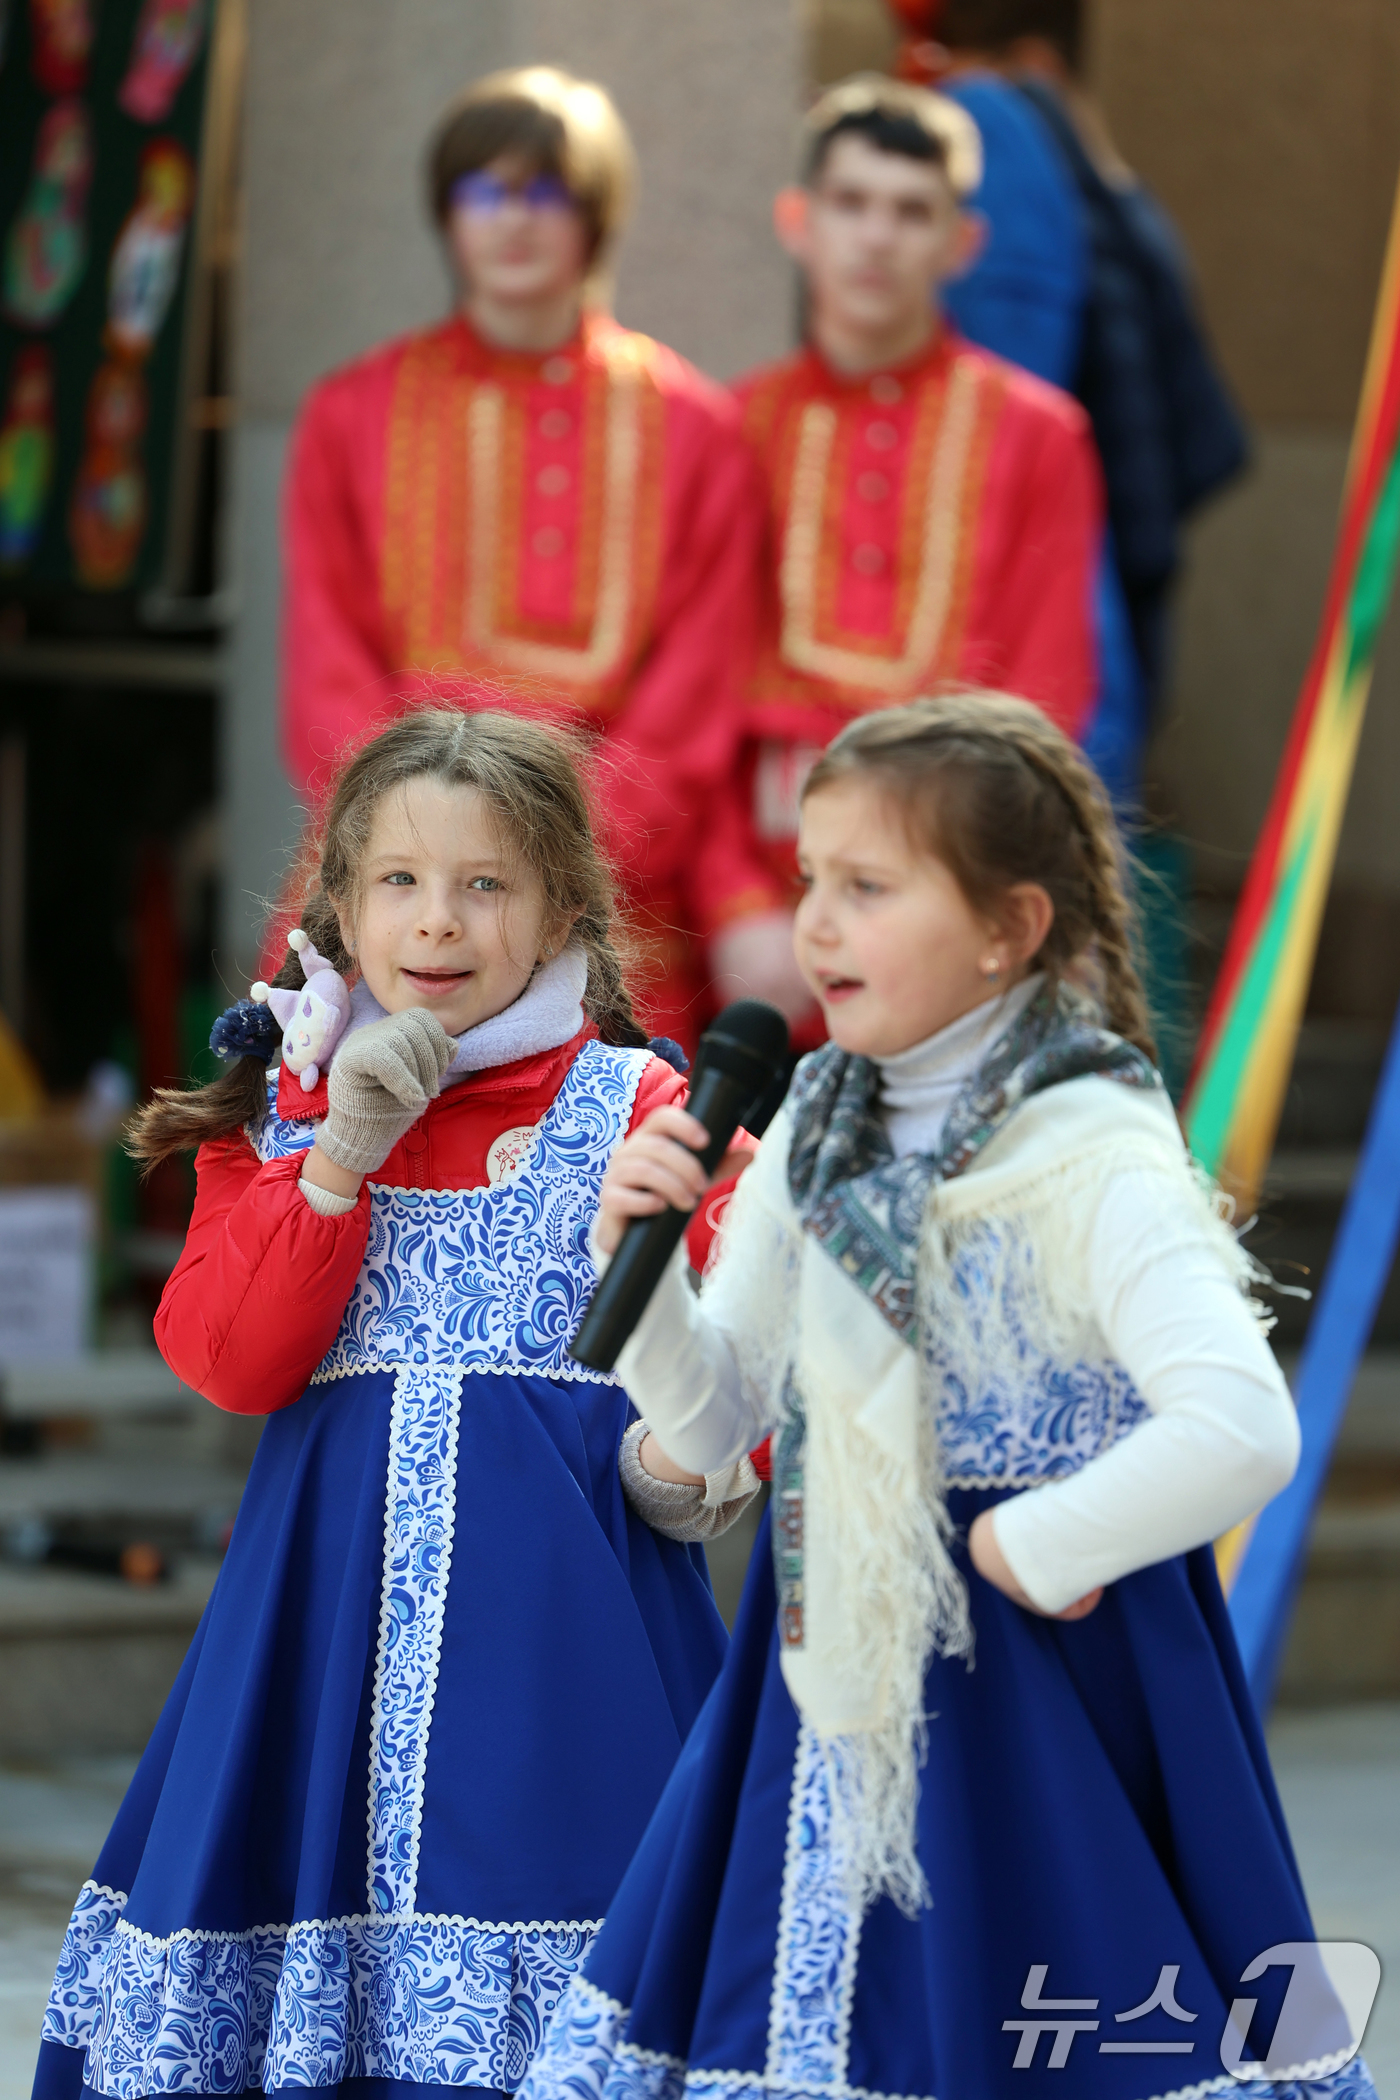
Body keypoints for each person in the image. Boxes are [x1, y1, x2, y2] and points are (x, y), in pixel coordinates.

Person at [518, 691, 1378, 2100]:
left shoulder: (1091, 1144)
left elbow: (1239, 1425)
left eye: (868, 888)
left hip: (1041, 1681)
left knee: (1020, 2016)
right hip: (823, 1666)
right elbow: (713, 1411)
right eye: (809, 882)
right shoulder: (813, 1116)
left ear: (1010, 927)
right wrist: (647, 1277)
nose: (817, 926)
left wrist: (1030, 1546)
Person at [33, 708, 760, 2100]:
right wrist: (335, 1163)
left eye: (486, 883)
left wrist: (698, 1459)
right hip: (308, 1668)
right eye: (400, 883)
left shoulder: (643, 1109)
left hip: (576, 1680)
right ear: (344, 910)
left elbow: (761, 1335)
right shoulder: (287, 1117)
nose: (439, 923)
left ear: (561, 912)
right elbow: (232, 1361)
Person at [282, 66, 800, 1049]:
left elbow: (690, 704)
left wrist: (535, 870)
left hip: (601, 894)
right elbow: (325, 673)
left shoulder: (696, 431)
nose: (512, 220)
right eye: (484, 190)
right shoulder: (349, 414)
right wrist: (424, 859)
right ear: (446, 214)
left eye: (545, 191)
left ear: (595, 214)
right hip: (387, 896)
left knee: (611, 1185)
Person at [726, 77, 1102, 945]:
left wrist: (934, 904)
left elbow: (1043, 702)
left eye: (911, 211)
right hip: (752, 911)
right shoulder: (736, 427)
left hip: (947, 891)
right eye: (852, 202)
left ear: (963, 241)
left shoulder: (1040, 437)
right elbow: (698, 701)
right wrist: (734, 907)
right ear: (798, 221)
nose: (877, 237)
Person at [896, 0, 1248, 720]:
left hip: (1038, 590)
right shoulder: (1099, 172)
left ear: (1035, 65)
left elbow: (995, 435)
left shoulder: (991, 120)